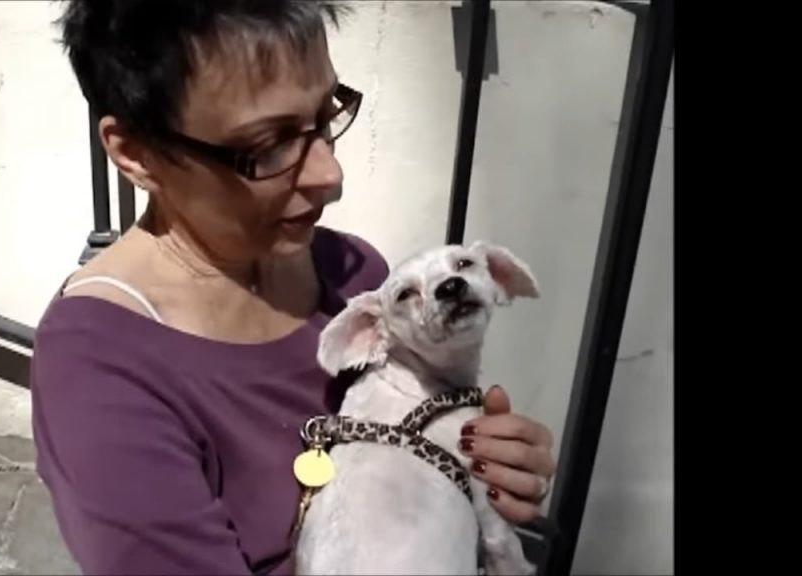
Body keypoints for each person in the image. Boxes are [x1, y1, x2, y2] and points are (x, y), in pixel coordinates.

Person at [31, 1, 557, 574]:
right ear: (136, 153)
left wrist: (478, 473)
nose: (329, 175)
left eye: (326, 115)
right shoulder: (99, 373)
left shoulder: (349, 271)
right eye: (266, 147)